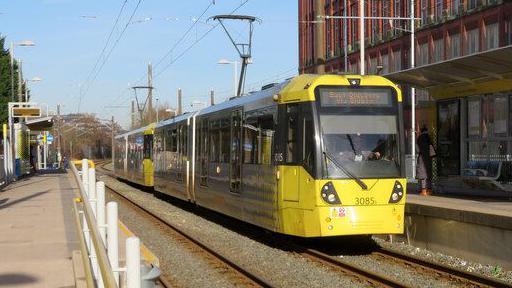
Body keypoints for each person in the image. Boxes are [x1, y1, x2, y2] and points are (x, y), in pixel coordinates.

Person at [417, 126, 434, 196]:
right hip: (428, 157)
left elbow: (417, 149)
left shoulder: (420, 138)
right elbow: (431, 147)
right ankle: (429, 190)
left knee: (422, 174)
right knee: (428, 173)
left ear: (421, 131)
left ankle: (423, 190)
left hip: (422, 157)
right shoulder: (429, 137)